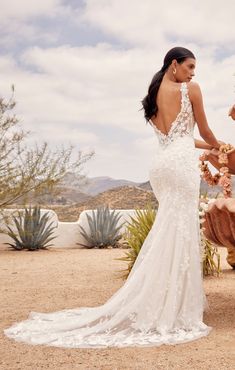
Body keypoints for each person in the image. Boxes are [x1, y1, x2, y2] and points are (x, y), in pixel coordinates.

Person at [4, 47, 222, 348]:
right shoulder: (190, 89)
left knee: (169, 229)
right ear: (174, 65)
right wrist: (222, 147)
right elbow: (206, 130)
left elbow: (182, 137)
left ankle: (162, 301)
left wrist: (210, 146)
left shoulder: (154, 96)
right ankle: (174, 307)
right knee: (179, 231)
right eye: (190, 66)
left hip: (162, 166)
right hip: (180, 167)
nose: (193, 73)